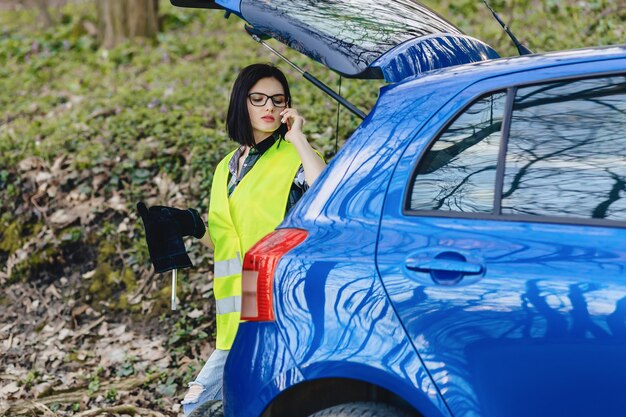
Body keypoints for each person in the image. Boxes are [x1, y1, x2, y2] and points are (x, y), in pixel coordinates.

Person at [138, 63, 326, 416]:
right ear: (242, 102)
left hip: (277, 303)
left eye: (278, 100)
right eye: (258, 99)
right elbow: (229, 242)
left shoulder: (294, 159)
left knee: (199, 405)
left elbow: (329, 191)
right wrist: (191, 226)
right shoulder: (226, 166)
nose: (269, 107)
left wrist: (299, 138)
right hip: (234, 316)